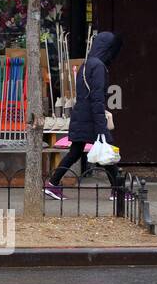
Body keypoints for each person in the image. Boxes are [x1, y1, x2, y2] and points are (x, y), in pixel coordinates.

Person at [45, 31, 122, 201]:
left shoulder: (86, 65)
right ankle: (118, 190)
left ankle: (53, 183)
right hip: (92, 119)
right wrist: (101, 127)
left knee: (75, 152)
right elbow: (97, 98)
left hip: (81, 116)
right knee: (107, 152)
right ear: (108, 49)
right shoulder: (99, 67)